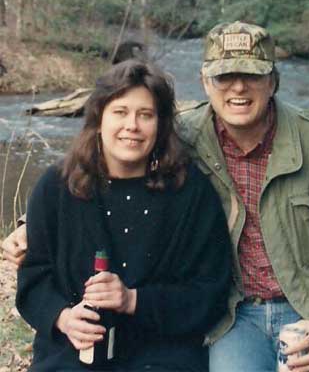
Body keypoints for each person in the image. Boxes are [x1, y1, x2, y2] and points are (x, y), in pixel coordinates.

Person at [3, 21, 309, 372]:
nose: (238, 88)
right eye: (225, 77)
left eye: (251, 76)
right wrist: (29, 227)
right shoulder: (182, 136)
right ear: (206, 82)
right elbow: (95, 169)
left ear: (272, 81)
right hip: (236, 315)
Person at [14, 59, 232, 371]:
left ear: (161, 125)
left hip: (163, 352)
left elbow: (209, 292)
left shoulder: (190, 191)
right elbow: (33, 277)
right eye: (120, 112)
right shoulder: (57, 186)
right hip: (73, 352)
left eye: (146, 115)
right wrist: (62, 317)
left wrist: (133, 301)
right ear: (98, 118)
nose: (132, 125)